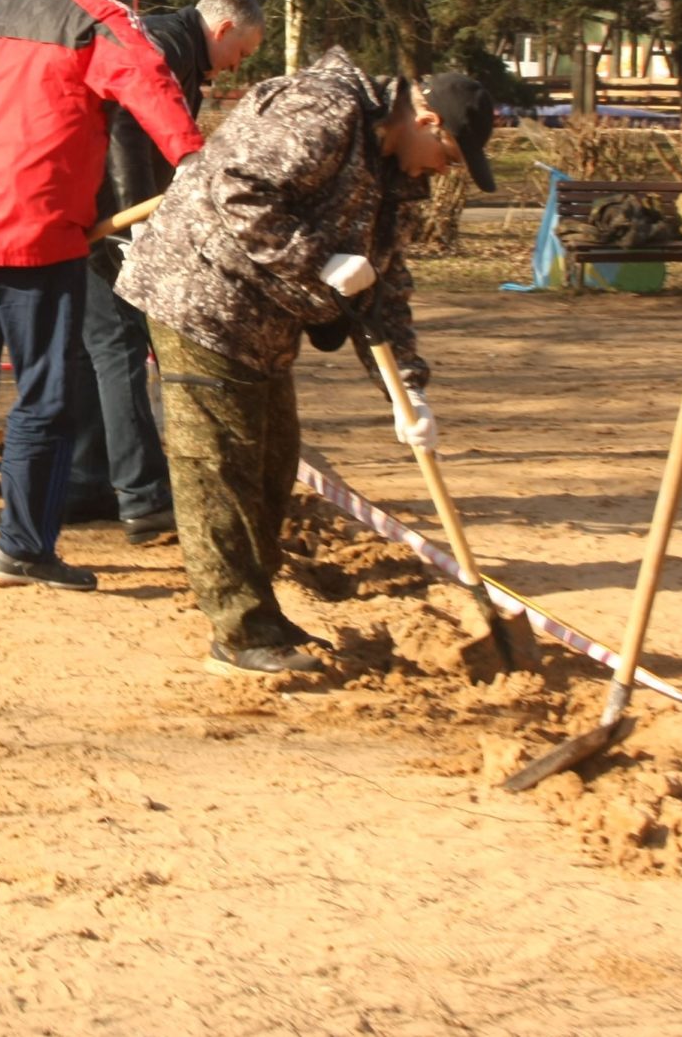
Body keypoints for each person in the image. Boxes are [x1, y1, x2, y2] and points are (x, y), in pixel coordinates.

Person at [119, 56, 494, 675]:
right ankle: (241, 633)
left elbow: (384, 287)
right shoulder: (325, 110)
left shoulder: (394, 175)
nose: (443, 171)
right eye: (448, 156)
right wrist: (317, 259)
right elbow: (238, 189)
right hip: (199, 294)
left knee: (272, 462)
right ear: (426, 119)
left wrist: (408, 391)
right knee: (219, 465)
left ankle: (260, 615)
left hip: (265, 319)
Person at [0, 0, 203, 590]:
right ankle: (22, 547)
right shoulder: (99, 15)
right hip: (38, 228)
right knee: (44, 393)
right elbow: (152, 84)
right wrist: (196, 162)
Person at [69, 0, 266, 543]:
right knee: (117, 344)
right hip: (108, 219)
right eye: (241, 54)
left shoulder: (175, 46)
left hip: (98, 214)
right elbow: (128, 128)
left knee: (96, 346)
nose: (234, 67)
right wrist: (133, 227)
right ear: (223, 30)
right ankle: (142, 495)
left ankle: (88, 480)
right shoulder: (164, 45)